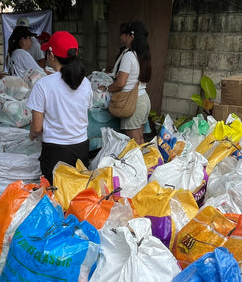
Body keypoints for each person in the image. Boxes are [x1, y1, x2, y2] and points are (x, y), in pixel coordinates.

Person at [27, 31, 92, 184]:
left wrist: (31, 135)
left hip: (55, 151)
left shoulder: (43, 84)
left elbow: (37, 127)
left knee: (55, 194)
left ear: (51, 55)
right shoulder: (85, 83)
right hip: (81, 148)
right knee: (78, 190)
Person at [104, 20, 152, 145]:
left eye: (126, 35)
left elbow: (120, 83)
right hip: (144, 99)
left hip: (133, 102)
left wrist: (106, 88)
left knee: (133, 143)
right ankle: (146, 158)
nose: (123, 39)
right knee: (140, 140)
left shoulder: (129, 55)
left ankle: (139, 159)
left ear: (132, 36)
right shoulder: (142, 55)